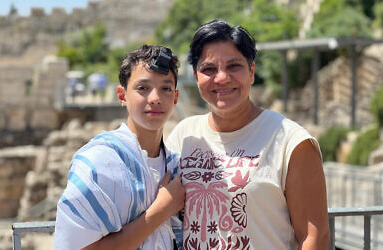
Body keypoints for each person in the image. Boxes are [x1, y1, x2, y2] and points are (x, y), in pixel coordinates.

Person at [166, 19, 330, 249]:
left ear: (251, 72)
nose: (221, 78)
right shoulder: (184, 134)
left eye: (234, 66)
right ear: (196, 77)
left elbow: (314, 237)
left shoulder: (290, 141)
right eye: (209, 69)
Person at [54, 45, 185, 250]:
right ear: (122, 95)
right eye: (143, 88)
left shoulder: (176, 167)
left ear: (175, 98)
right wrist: (161, 210)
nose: (155, 98)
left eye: (166, 89)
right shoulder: (99, 163)